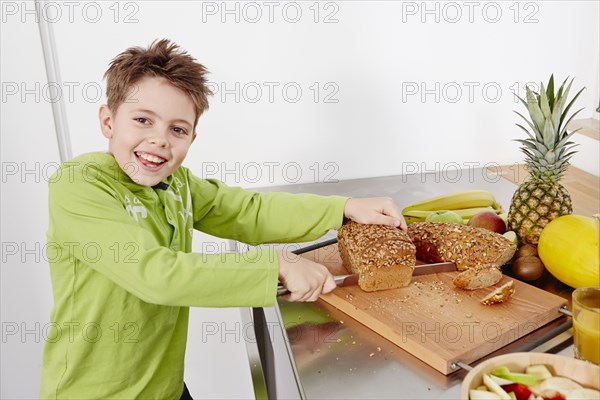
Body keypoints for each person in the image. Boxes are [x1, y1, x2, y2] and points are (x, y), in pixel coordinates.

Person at [40, 39, 407, 399]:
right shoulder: (80, 185)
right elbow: (154, 274)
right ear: (108, 121)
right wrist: (273, 264)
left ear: (192, 138)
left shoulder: (177, 183)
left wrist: (341, 208)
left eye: (177, 129)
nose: (159, 140)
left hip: (163, 388)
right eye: (142, 120)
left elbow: (245, 210)